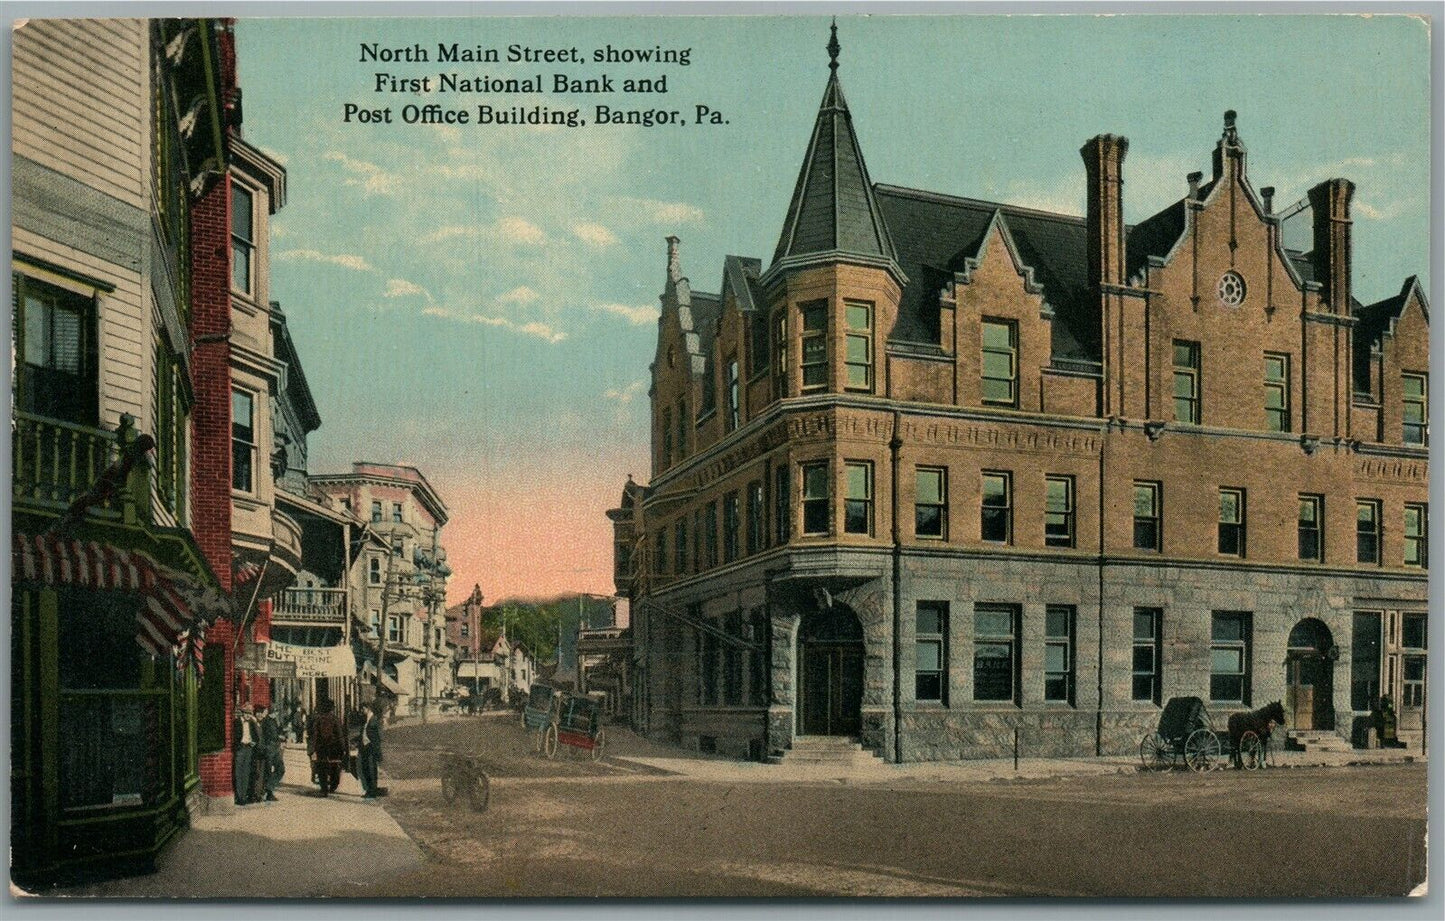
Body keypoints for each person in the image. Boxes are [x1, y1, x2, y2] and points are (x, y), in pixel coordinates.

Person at [307, 698, 346, 796]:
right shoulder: (335, 719)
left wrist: (311, 749)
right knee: (334, 767)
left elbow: (315, 735)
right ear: (332, 709)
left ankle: (324, 789)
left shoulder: (318, 719)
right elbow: (340, 735)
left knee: (322, 768)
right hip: (334, 747)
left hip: (321, 747)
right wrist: (343, 748)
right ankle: (333, 786)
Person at [232, 703, 258, 806]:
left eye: (250, 713)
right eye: (246, 713)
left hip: (249, 748)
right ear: (242, 713)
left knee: (246, 772)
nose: (248, 715)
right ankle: (239, 797)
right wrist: (238, 746)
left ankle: (244, 796)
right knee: (239, 772)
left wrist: (253, 742)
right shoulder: (236, 722)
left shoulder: (251, 723)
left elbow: (256, 736)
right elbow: (233, 736)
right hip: (240, 748)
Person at [258, 703, 284, 801]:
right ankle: (268, 792)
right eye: (275, 712)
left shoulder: (273, 721)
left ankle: (268, 788)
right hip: (269, 748)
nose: (276, 714)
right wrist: (279, 737)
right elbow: (271, 735)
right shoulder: (266, 721)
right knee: (269, 771)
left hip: (275, 748)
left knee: (280, 769)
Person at [358, 701, 383, 798]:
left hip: (371, 748)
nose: (361, 711)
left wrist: (377, 751)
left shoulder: (374, 719)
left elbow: (378, 737)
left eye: (363, 709)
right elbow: (364, 733)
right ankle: (369, 790)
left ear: (368, 708)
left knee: (371, 770)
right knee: (365, 769)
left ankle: (373, 792)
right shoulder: (366, 719)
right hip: (365, 748)